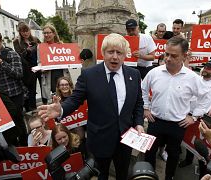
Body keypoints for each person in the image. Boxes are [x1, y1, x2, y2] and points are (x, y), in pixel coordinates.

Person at [38, 33, 144, 180]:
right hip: (100, 139)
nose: (114, 57)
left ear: (125, 54)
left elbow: (138, 102)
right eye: (110, 52)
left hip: (125, 139)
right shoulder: (89, 75)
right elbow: (75, 99)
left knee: (123, 174)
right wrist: (61, 109)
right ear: (103, 53)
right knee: (101, 175)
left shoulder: (134, 74)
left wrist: (138, 123)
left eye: (119, 52)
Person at [142, 36, 210, 180]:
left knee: (173, 154)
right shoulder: (154, 72)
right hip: (155, 121)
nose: (168, 58)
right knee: (149, 152)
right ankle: (149, 176)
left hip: (177, 124)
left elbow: (205, 97)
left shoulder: (192, 78)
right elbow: (142, 89)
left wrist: (194, 116)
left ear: (184, 56)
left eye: (174, 56)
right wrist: (145, 108)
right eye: (167, 54)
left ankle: (169, 177)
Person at [13, 22, 41, 111]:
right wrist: (27, 51)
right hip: (28, 69)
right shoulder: (16, 41)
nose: (25, 33)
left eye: (27, 30)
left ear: (30, 30)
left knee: (43, 86)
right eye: (23, 31)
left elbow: (44, 48)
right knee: (31, 89)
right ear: (20, 32)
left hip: (39, 66)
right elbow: (19, 56)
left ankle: (45, 103)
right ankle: (32, 108)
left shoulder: (35, 39)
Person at [39, 24, 71, 104]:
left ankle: (68, 113)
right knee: (55, 95)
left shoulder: (61, 45)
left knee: (65, 93)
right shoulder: (41, 47)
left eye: (49, 32)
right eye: (45, 33)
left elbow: (68, 59)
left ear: (54, 33)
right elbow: (39, 62)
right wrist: (42, 68)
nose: (47, 35)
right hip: (50, 75)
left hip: (61, 73)